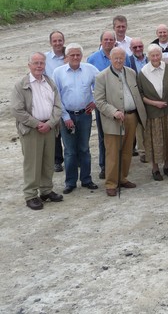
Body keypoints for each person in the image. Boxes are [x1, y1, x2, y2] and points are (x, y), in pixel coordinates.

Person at [10, 52, 63, 210]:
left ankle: (46, 191)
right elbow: (16, 110)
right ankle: (31, 195)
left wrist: (51, 123)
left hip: (49, 128)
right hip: (32, 130)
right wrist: (37, 124)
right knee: (32, 163)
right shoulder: (21, 85)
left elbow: (57, 106)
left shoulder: (49, 82)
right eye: (36, 63)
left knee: (48, 162)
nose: (39, 66)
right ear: (29, 65)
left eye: (42, 63)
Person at [94, 47, 147, 197]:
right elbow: (99, 101)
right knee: (112, 152)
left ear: (125, 59)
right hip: (114, 120)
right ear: (110, 59)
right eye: (115, 58)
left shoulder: (130, 72)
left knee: (127, 150)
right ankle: (111, 183)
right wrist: (114, 112)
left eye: (121, 58)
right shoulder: (101, 77)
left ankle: (122, 178)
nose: (118, 61)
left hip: (131, 117)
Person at [52, 43, 100, 194]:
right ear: (66, 57)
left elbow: (101, 86)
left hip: (85, 115)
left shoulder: (90, 70)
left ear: (81, 55)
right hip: (67, 116)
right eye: (71, 55)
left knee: (84, 148)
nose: (75, 57)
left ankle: (86, 179)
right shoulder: (58, 73)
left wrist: (95, 102)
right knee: (70, 151)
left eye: (78, 54)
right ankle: (70, 182)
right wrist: (65, 117)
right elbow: (56, 97)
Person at [137, 44, 168, 182]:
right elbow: (140, 95)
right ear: (148, 57)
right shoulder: (143, 72)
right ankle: (155, 168)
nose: (156, 58)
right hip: (153, 113)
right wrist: (154, 103)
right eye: (153, 56)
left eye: (158, 55)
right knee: (156, 141)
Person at [87, 29, 117, 180]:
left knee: (118, 135)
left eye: (111, 40)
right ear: (101, 42)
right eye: (105, 40)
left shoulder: (121, 56)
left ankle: (118, 165)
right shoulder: (92, 59)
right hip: (101, 104)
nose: (108, 42)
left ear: (115, 42)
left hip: (118, 102)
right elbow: (87, 83)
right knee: (103, 136)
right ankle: (104, 166)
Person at [44, 30, 66, 173]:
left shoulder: (70, 55)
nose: (57, 43)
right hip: (52, 98)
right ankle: (57, 160)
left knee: (71, 130)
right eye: (55, 41)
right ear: (51, 42)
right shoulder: (45, 58)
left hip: (68, 96)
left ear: (63, 41)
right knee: (56, 130)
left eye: (60, 40)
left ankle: (73, 158)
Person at [125, 37, 147, 160]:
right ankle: (142, 152)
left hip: (149, 96)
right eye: (135, 47)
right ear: (130, 49)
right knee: (139, 125)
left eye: (140, 46)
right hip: (135, 97)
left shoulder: (149, 59)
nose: (138, 49)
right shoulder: (127, 61)